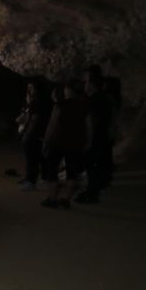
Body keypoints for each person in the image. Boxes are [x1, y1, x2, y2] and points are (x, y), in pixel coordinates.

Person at [40, 79, 87, 209]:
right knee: (72, 171)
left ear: (68, 90)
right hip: (75, 143)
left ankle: (52, 197)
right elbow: (86, 125)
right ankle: (66, 199)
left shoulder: (60, 105)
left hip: (58, 142)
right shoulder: (82, 106)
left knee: (51, 169)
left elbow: (52, 125)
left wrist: (46, 142)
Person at [76, 71, 113, 204]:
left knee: (91, 166)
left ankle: (92, 194)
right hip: (102, 137)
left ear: (91, 84)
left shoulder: (94, 100)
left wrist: (88, 141)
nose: (84, 85)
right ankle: (94, 190)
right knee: (96, 166)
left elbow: (91, 121)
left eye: (86, 82)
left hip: (95, 139)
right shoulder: (104, 98)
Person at [16, 81, 48, 191]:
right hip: (33, 132)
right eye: (28, 87)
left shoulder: (37, 103)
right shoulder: (32, 102)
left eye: (31, 88)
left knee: (33, 158)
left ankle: (31, 181)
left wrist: (28, 134)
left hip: (34, 133)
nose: (29, 90)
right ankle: (31, 178)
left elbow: (34, 120)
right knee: (34, 157)